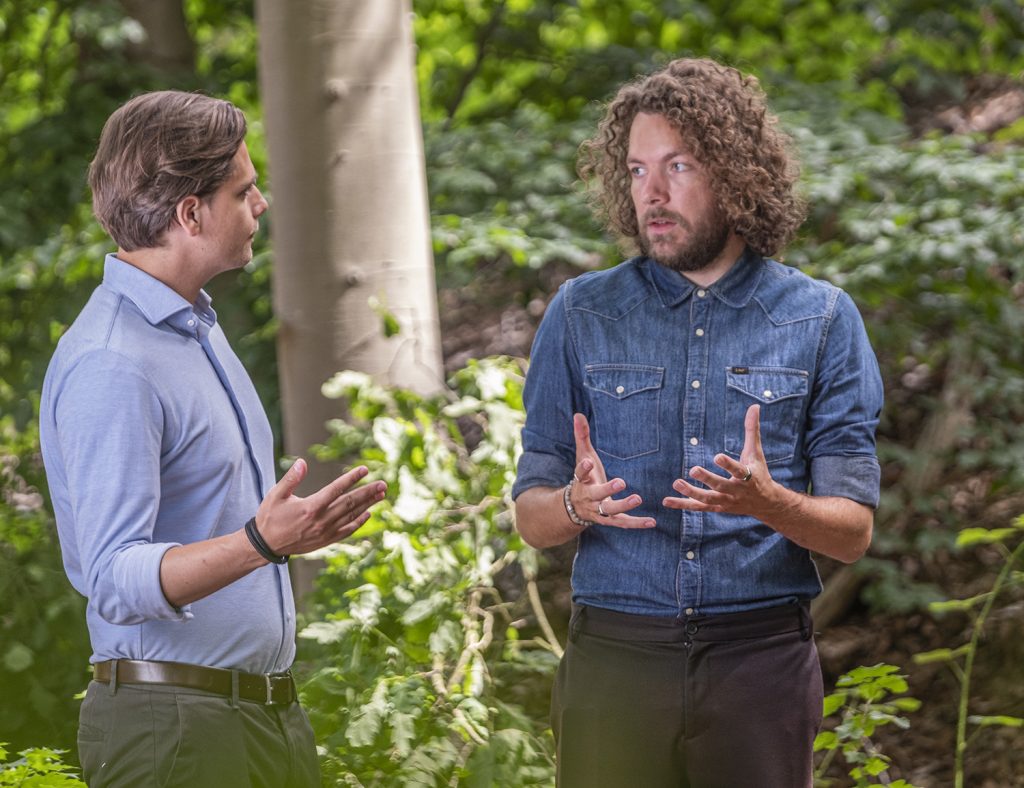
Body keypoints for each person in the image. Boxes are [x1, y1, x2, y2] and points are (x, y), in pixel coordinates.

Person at [512, 58, 884, 787]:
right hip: (614, 663)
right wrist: (570, 507)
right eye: (637, 168)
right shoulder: (581, 313)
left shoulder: (822, 320)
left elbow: (852, 532)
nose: (651, 191)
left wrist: (768, 502)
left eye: (677, 166)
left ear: (737, 173)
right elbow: (531, 515)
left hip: (761, 665)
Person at [39, 90, 387, 787]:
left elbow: (218, 532)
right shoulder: (113, 360)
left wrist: (287, 535)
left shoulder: (194, 329)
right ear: (190, 213)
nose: (260, 204)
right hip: (176, 735)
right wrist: (260, 543)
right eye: (244, 189)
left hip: (255, 720)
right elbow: (112, 577)